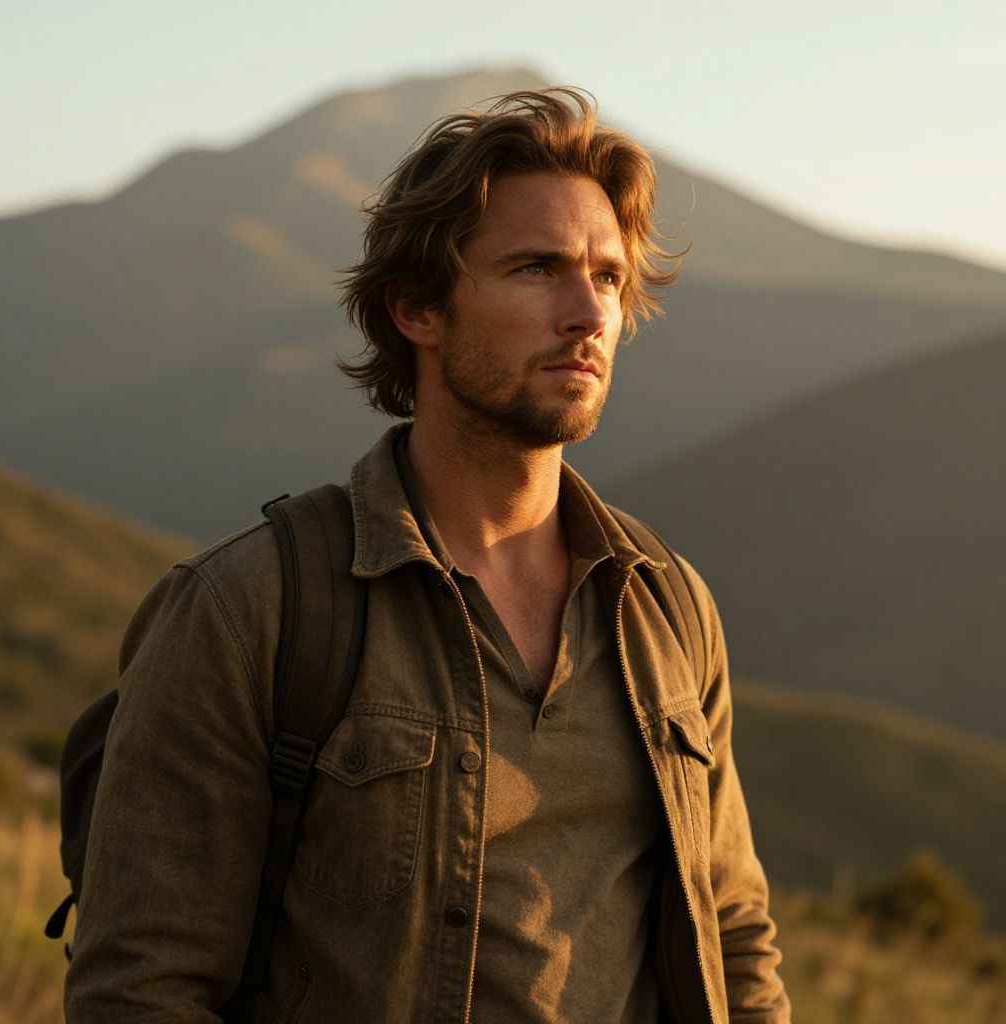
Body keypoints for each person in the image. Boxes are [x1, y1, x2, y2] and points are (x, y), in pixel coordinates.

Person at [65, 88, 790, 1023]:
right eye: (538, 269)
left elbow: (732, 935)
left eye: (609, 277)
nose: (588, 314)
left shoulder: (668, 610)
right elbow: (142, 990)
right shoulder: (250, 611)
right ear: (418, 309)